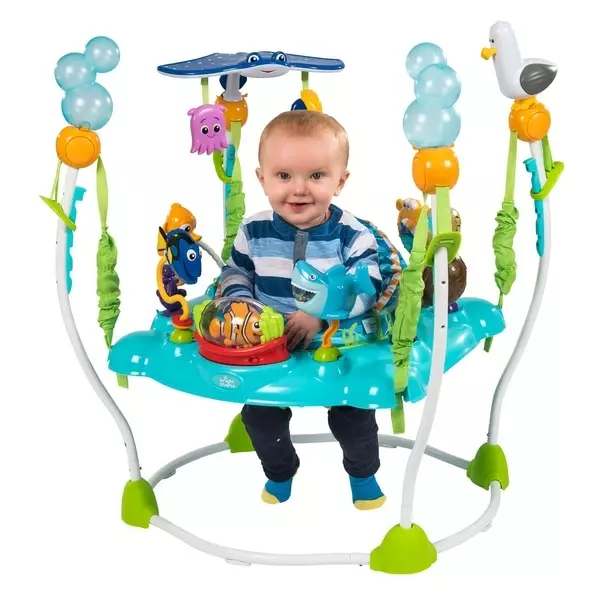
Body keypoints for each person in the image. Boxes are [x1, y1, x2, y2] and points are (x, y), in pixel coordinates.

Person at [219, 110, 386, 510]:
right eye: (283, 176)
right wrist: (241, 306)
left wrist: (321, 314)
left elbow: (370, 287)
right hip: (268, 343)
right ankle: (280, 471)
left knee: (353, 414)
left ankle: (363, 474)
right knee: (260, 418)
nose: (299, 189)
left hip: (337, 342)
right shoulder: (253, 231)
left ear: (340, 181)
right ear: (262, 179)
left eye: (316, 176)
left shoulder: (352, 236)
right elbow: (235, 272)